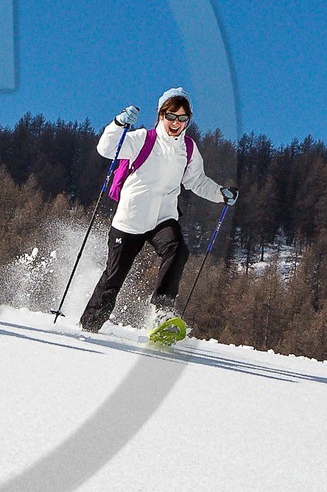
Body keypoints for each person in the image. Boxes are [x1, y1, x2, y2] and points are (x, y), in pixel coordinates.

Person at [78, 87, 237, 334]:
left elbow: (196, 181)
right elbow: (107, 148)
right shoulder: (142, 138)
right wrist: (119, 123)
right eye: (171, 116)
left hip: (163, 217)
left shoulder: (189, 148)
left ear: (188, 120)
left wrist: (220, 194)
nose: (176, 123)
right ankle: (88, 327)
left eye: (182, 118)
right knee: (113, 279)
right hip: (131, 218)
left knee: (177, 249)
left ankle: (162, 311)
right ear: (161, 115)